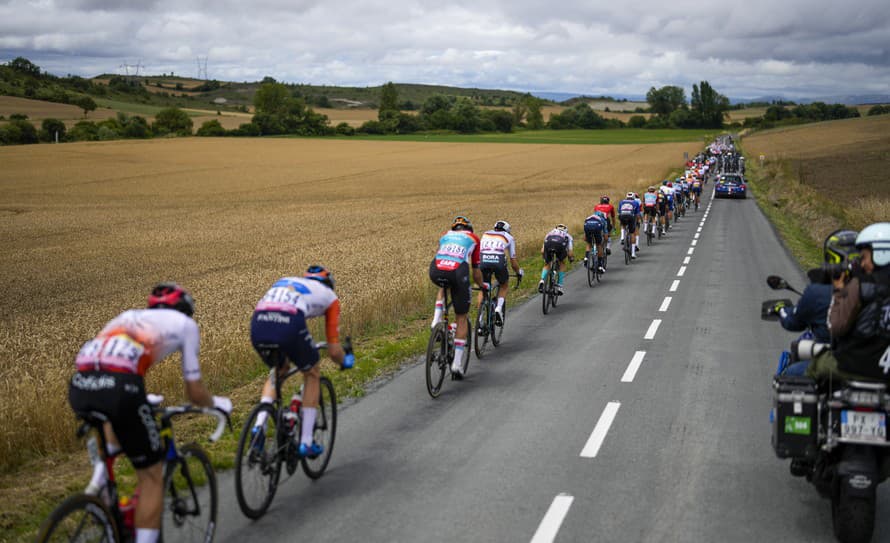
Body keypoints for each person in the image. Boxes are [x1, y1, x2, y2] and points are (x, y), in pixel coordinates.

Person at [70, 283, 232, 543]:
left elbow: (109, 363)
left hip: (81, 385)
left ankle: (99, 485)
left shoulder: (127, 316)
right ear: (185, 310)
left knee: (116, 427)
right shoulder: (185, 325)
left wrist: (138, 398)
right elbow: (194, 391)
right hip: (121, 387)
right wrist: (217, 404)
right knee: (152, 475)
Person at [250, 266, 354, 458]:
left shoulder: (286, 280)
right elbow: (333, 350)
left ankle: (259, 427)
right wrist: (345, 361)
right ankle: (306, 441)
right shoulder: (330, 297)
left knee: (278, 370)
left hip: (259, 321)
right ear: (329, 284)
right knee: (312, 372)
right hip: (289, 322)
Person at [808, 223, 890, 382]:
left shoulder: (860, 284)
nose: (863, 263)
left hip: (856, 366)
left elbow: (835, 327)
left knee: (814, 367)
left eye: (865, 257)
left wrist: (839, 291)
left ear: (882, 254)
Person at [770, 230, 858, 376]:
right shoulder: (876, 291)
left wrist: (781, 310)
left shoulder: (817, 293)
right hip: (869, 367)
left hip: (836, 363)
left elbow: (793, 322)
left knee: (790, 373)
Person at [429, 216, 486, 378]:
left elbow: (443, 256)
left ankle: (436, 321)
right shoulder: (474, 238)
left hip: (435, 269)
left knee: (443, 286)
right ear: (470, 229)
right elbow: (476, 272)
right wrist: (482, 286)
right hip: (457, 271)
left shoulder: (445, 236)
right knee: (461, 317)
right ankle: (456, 365)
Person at [477, 220, 523, 325]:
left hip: (483, 260)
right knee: (504, 285)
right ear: (507, 230)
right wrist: (518, 272)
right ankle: (498, 308)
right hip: (498, 261)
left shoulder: (485, 233)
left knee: (483, 288)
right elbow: (513, 261)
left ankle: (479, 320)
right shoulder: (509, 237)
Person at [539, 224, 574, 294]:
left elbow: (542, 250)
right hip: (560, 245)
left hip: (549, 243)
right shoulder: (568, 235)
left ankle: (542, 280)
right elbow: (570, 252)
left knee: (547, 264)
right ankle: (559, 287)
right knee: (562, 263)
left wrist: (545, 259)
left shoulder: (550, 233)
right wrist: (571, 258)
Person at [617, 192, 641, 259]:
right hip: (630, 217)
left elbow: (619, 212)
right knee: (632, 233)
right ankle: (633, 253)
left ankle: (622, 237)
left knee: (622, 224)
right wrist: (638, 221)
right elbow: (637, 214)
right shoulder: (635, 202)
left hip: (622, 216)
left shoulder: (621, 202)